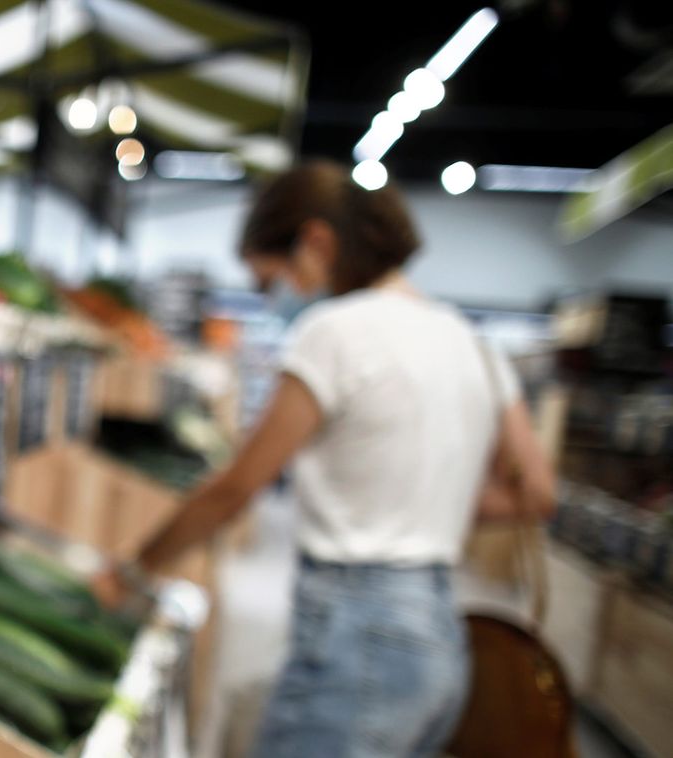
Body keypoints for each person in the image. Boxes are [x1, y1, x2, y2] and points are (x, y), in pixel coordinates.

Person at [98, 160, 556, 757]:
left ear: (316, 241)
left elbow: (236, 486)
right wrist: (419, 503)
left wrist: (134, 569)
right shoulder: (472, 342)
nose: (278, 295)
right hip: (441, 637)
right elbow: (535, 493)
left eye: (273, 278)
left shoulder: (336, 332)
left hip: (359, 637)